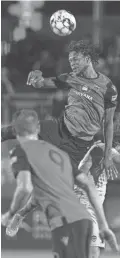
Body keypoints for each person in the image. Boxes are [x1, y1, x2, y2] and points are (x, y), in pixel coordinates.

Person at [1, 109, 119, 258]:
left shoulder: (88, 147)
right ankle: (20, 215)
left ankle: (19, 214)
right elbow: (25, 187)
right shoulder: (97, 147)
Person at [1, 40, 118, 177]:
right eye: (70, 60)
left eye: (75, 59)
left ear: (87, 59)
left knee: (61, 184)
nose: (72, 63)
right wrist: (36, 76)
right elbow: (42, 83)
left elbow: (108, 124)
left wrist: (107, 156)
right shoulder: (71, 78)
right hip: (59, 128)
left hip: (80, 145)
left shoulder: (108, 88)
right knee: (22, 128)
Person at [74, 141, 120, 258]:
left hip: (91, 205)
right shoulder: (101, 147)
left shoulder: (103, 153)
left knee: (91, 251)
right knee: (93, 251)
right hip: (84, 203)